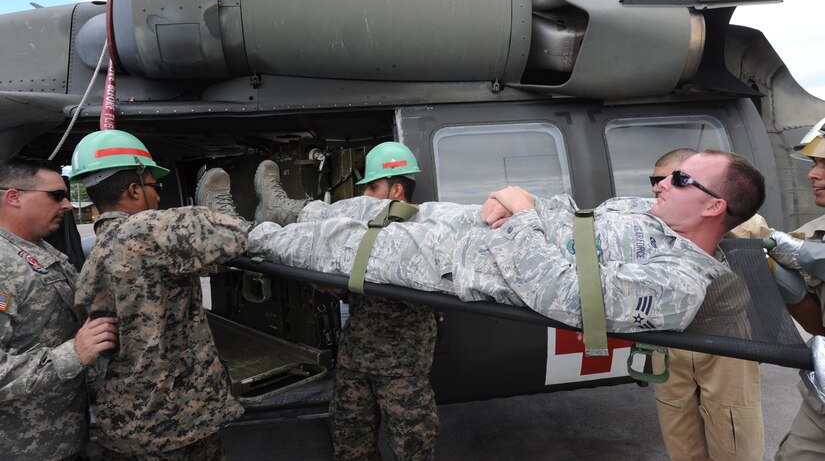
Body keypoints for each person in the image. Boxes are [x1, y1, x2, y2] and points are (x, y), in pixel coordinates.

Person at [239, 149, 765, 334]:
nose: (661, 183)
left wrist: (519, 216)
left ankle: (242, 234)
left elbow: (564, 294)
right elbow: (573, 217)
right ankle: (294, 211)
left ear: (714, 206)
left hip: (477, 264)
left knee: (350, 243)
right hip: (500, 228)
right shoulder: (647, 214)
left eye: (678, 180)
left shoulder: (679, 284)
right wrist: (513, 201)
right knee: (388, 209)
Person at [70, 130, 250, 460]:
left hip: (128, 417)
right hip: (175, 421)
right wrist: (210, 210)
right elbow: (233, 235)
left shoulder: (95, 257)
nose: (157, 198)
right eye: (157, 188)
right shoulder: (146, 228)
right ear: (135, 189)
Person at [650, 148, 767, 461]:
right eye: (655, 180)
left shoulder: (743, 227)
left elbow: (772, 258)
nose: (658, 187)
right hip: (670, 340)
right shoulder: (647, 230)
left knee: (733, 435)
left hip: (727, 344)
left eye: (676, 179)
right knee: (681, 437)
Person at [0, 156, 117, 460]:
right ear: (14, 197)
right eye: (56, 195)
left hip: (62, 439)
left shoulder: (37, 248)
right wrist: (73, 354)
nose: (67, 205)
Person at [329, 142, 439, 460]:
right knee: (349, 445)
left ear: (396, 190)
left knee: (414, 450)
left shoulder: (426, 235)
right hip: (355, 361)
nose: (365, 197)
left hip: (401, 368)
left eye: (373, 187)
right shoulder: (363, 233)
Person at [772, 120, 825, 460]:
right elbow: (818, 326)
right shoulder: (811, 233)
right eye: (816, 164)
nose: (812, 175)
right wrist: (778, 274)